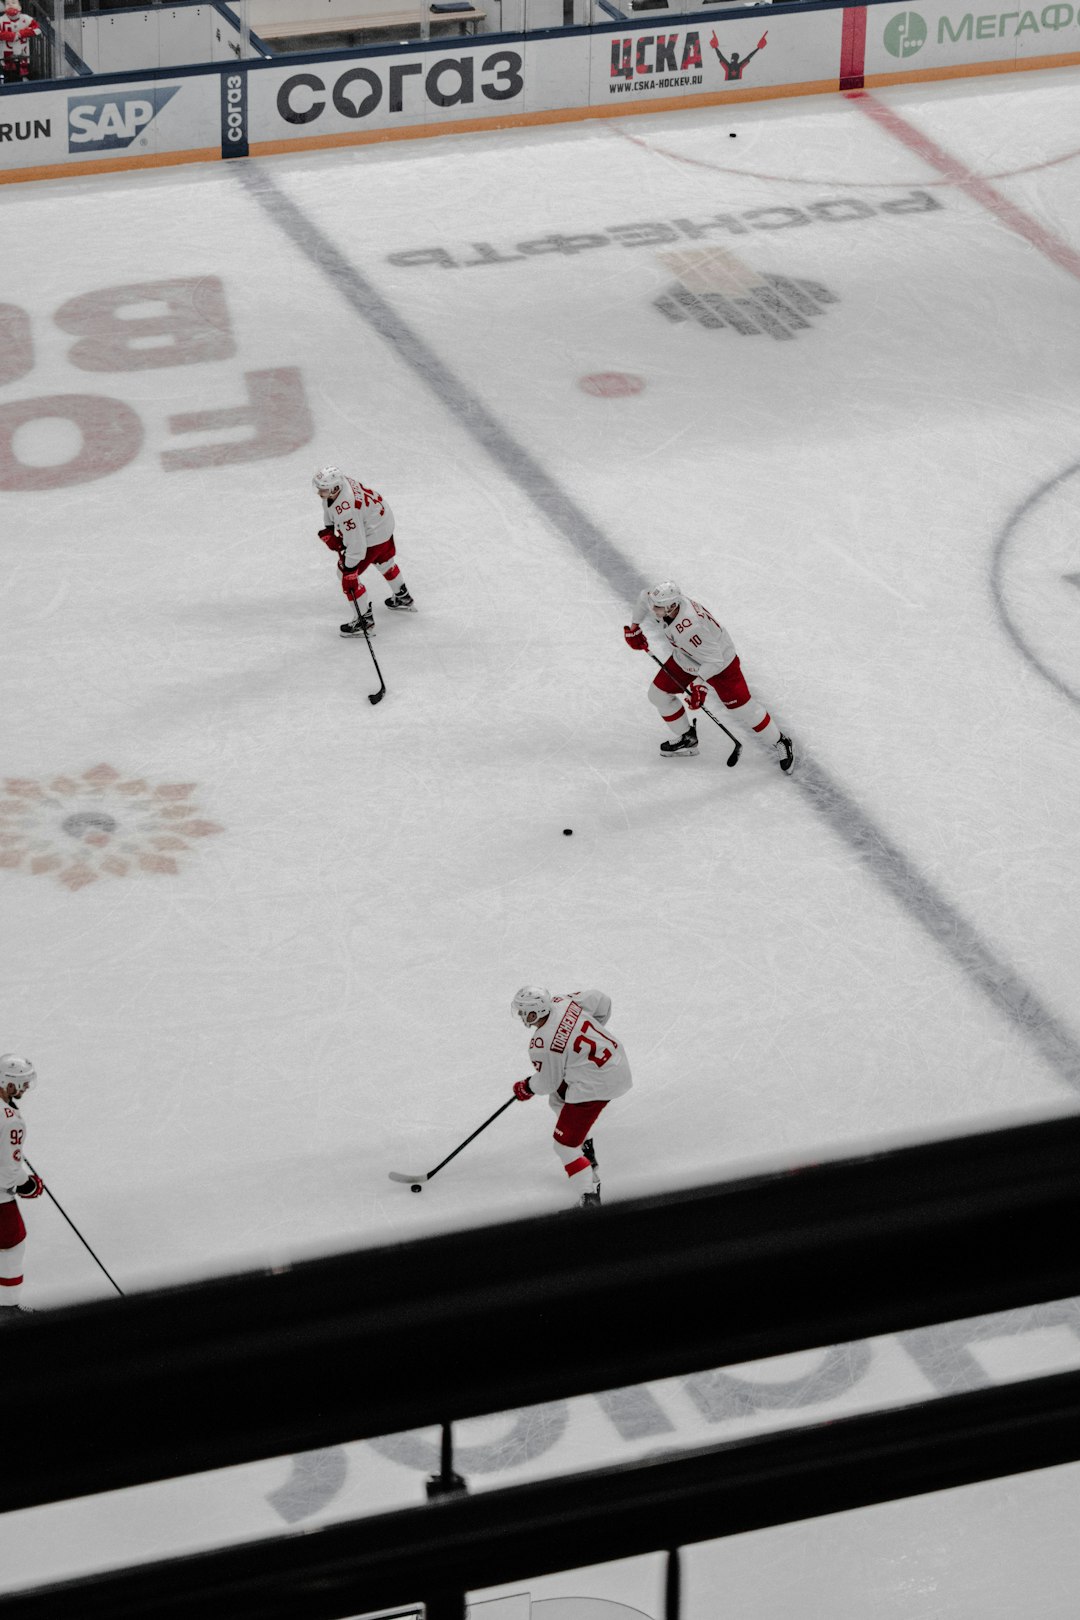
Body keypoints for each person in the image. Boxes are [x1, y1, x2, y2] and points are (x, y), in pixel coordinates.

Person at [624, 580, 794, 770]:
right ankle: (687, 738)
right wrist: (634, 628)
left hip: (721, 664)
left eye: (657, 607)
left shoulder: (691, 626)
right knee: (658, 695)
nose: (653, 609)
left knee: (743, 709)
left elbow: (715, 661)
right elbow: (642, 598)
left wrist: (699, 683)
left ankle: (781, 741)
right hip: (686, 657)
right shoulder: (664, 604)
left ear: (672, 606)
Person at [510, 987, 632, 1210]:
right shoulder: (563, 1001)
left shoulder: (542, 1044)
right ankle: (586, 1149)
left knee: (564, 1146)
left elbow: (548, 1082)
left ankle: (589, 1196)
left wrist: (526, 1087)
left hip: (596, 1085)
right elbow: (601, 999)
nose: (520, 1016)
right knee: (559, 1100)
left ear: (535, 1013)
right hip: (616, 1062)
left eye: (523, 1012)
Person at [312, 465, 415, 639]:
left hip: (373, 534)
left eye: (322, 489)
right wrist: (330, 528)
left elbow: (357, 546)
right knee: (384, 561)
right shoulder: (340, 485)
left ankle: (364, 621)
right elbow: (328, 505)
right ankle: (402, 596)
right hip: (382, 522)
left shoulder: (347, 510)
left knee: (344, 574)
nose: (319, 492)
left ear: (335, 488)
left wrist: (349, 571)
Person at [0, 1054, 43, 1321]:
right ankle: (7, 1309)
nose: (25, 1089)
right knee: (12, 1244)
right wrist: (28, 1186)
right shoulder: (11, 1120)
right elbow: (9, 1171)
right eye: (21, 1083)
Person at [0, 0, 40, 83]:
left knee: (28, 78)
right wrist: (11, 36)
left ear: (20, 7)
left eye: (13, 2)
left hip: (24, 56)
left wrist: (21, 34)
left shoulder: (26, 18)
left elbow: (37, 29)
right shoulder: (1, 20)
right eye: (7, 4)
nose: (10, 5)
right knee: (10, 80)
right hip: (7, 58)